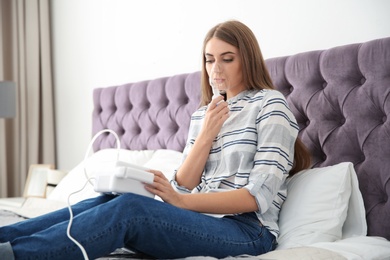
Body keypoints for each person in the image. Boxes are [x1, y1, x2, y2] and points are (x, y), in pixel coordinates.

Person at [0, 20, 311, 260]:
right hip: (197, 217)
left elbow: (257, 198)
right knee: (109, 200)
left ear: (248, 60)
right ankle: (5, 238)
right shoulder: (204, 114)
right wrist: (205, 137)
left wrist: (182, 202)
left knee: (131, 209)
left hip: (247, 230)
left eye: (227, 59)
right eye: (209, 59)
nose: (216, 69)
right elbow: (184, 184)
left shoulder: (270, 104)